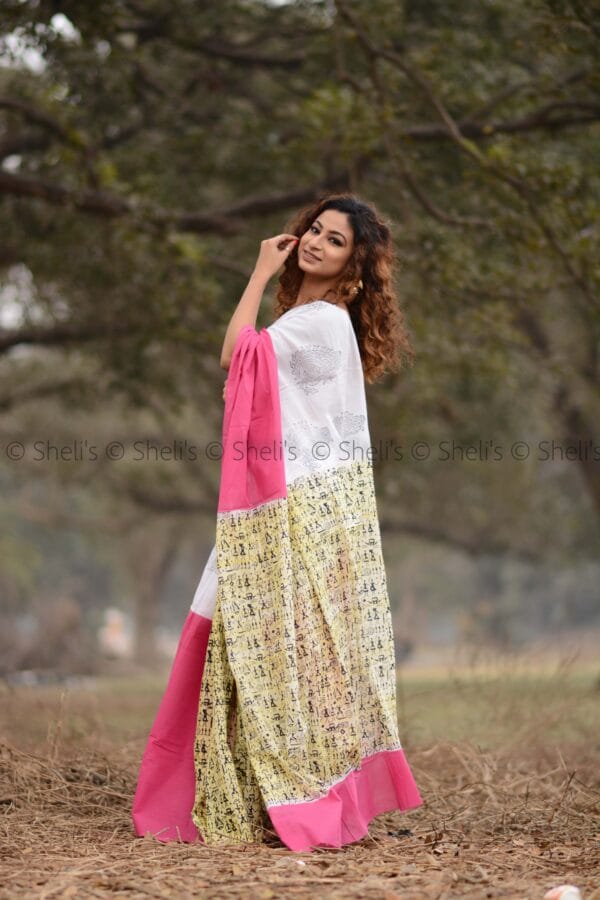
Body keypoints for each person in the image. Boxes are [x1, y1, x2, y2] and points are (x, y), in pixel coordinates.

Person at [132, 192, 423, 853]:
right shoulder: (315, 320)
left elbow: (236, 353)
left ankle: (267, 793)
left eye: (335, 239)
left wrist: (259, 273)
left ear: (356, 265)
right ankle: (267, 789)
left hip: (286, 512)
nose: (318, 242)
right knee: (266, 649)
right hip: (299, 509)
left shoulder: (317, 321)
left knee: (253, 647)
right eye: (314, 230)